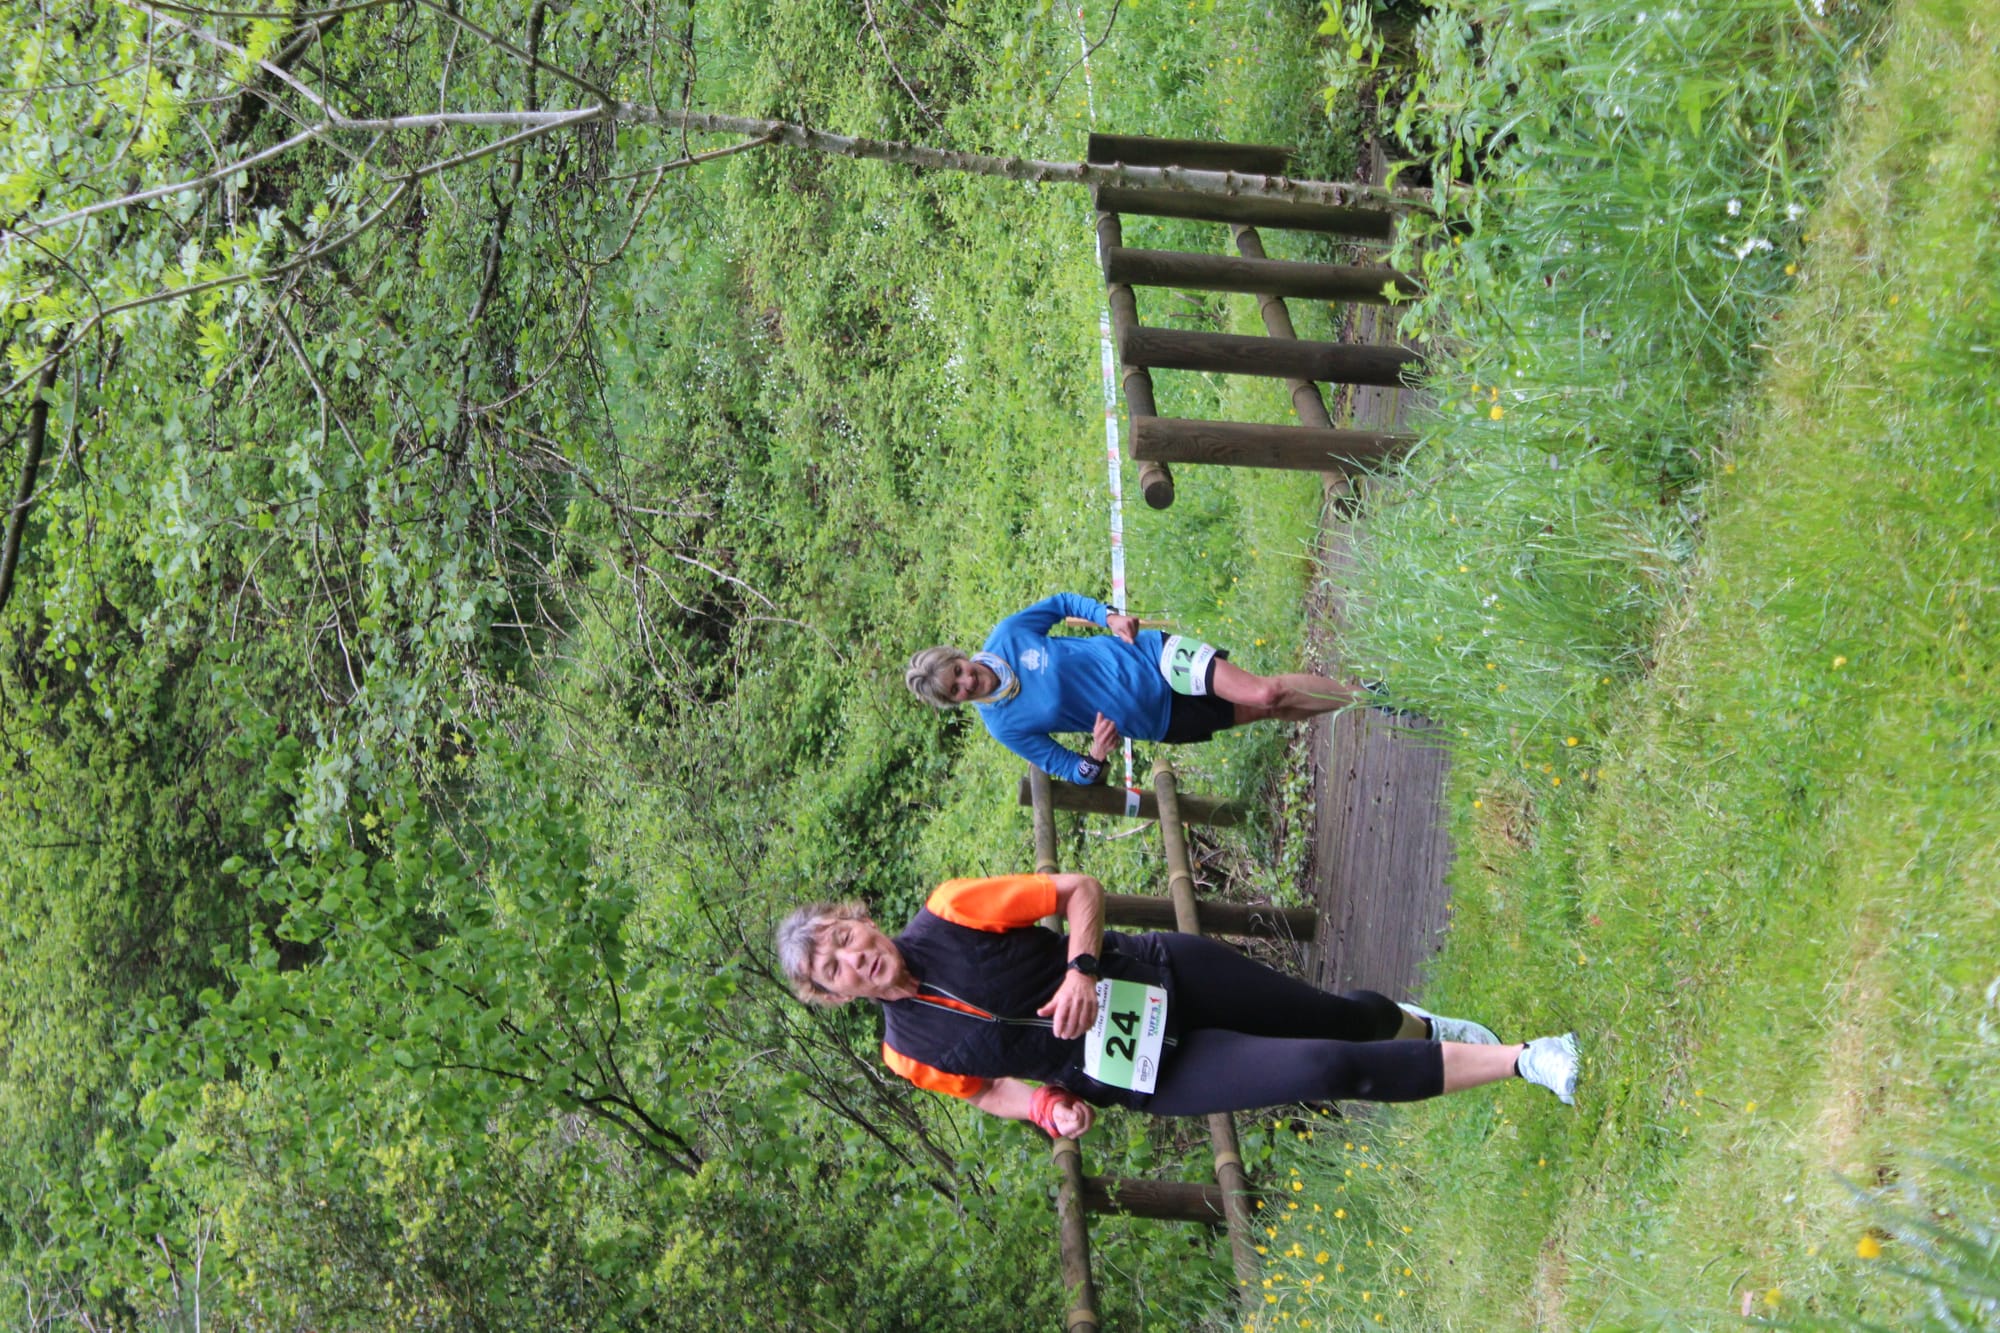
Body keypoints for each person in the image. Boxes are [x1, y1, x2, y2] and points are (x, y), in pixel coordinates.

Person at [775, 872, 1579, 1138]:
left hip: (1165, 976)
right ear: (833, 995)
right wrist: (1047, 1107)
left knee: (1341, 1020)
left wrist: (1081, 969)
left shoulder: (952, 908)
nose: (854, 956)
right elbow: (986, 1090)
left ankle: (1420, 1026)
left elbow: (1077, 890)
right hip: (1143, 1072)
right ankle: (1526, 1060)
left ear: (860, 918)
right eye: (834, 968)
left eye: (846, 936)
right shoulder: (904, 1050)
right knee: (1328, 1067)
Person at [904, 592, 1368, 785]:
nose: (968, 680)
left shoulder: (1008, 635)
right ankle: (1355, 700)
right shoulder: (1003, 725)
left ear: (959, 655)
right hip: (1158, 719)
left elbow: (1062, 603)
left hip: (1152, 656)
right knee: (1268, 710)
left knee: (1264, 693)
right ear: (955, 703)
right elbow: (1072, 771)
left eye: (959, 670)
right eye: (957, 689)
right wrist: (1096, 755)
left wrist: (1107, 616)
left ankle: (1369, 695)